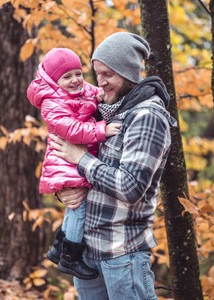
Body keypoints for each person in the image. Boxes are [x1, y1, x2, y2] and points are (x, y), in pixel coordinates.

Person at [50, 32, 176, 299]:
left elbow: (130, 187)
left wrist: (81, 159)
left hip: (122, 254)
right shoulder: (106, 111)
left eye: (108, 74)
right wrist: (64, 191)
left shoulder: (146, 117)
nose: (100, 82)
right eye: (97, 73)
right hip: (87, 254)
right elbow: (71, 161)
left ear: (128, 72)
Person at [26, 48, 121, 280]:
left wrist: (100, 94)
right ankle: (71, 257)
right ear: (54, 81)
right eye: (67, 77)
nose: (75, 80)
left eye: (78, 73)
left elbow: (91, 90)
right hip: (64, 161)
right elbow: (71, 130)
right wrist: (101, 130)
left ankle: (59, 247)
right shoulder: (52, 103)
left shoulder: (77, 90)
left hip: (74, 159)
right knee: (79, 208)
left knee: (75, 208)